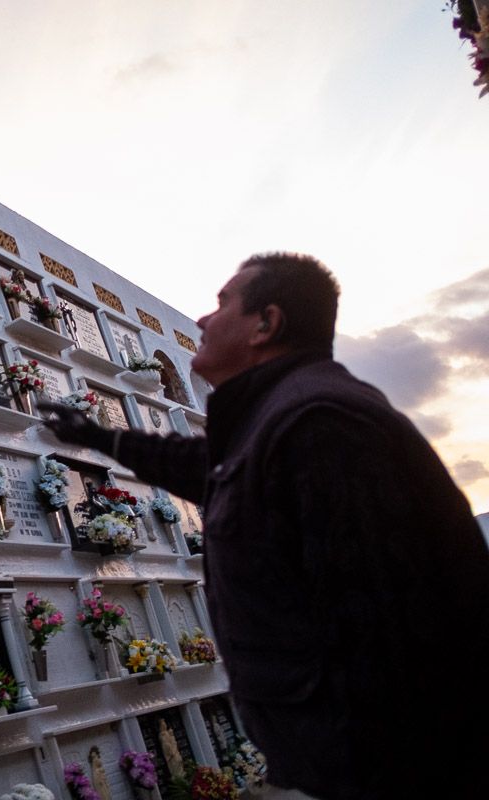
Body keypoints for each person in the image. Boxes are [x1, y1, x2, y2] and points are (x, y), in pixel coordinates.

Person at [42, 252, 489, 799]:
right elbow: (209, 465)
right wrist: (104, 438)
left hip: (380, 768)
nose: (204, 320)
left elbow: (391, 628)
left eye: (222, 303)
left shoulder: (322, 424)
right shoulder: (280, 420)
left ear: (266, 324)